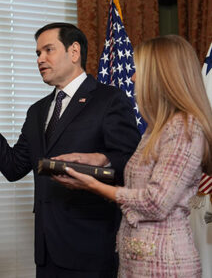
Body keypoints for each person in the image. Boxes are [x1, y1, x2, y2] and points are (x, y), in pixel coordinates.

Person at [0, 22, 141, 277]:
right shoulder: (37, 111)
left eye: (48, 50)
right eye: (37, 53)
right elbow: (14, 167)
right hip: (47, 251)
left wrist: (99, 161)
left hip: (91, 248)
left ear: (74, 52)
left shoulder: (110, 100)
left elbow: (129, 162)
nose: (40, 59)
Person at [53, 35, 212, 277]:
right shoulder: (157, 126)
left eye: (140, 70)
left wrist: (94, 186)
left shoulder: (184, 128)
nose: (133, 77)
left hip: (165, 265)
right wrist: (99, 160)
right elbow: (144, 174)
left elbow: (155, 202)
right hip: (137, 261)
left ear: (162, 75)